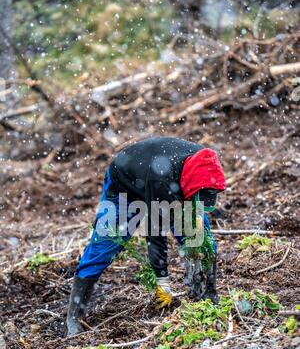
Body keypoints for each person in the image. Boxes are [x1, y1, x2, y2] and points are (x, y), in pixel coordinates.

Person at [66, 137, 226, 336]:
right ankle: (74, 317)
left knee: (200, 241)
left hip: (173, 186)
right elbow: (155, 233)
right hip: (125, 188)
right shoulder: (162, 179)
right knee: (103, 247)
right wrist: (162, 281)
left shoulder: (205, 165)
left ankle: (205, 294)